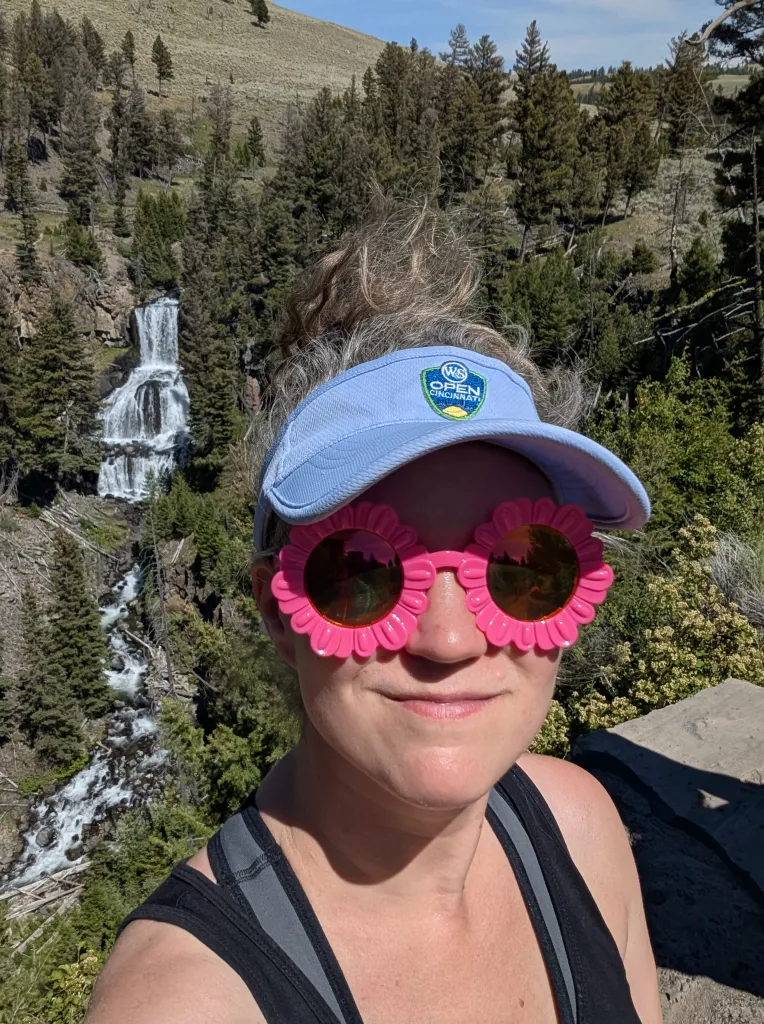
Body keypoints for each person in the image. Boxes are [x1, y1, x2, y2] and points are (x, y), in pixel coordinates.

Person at [88, 205, 664, 1024]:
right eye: (360, 572)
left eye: (523, 565)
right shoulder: (188, 1002)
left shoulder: (579, 831)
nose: (450, 638)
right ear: (277, 613)